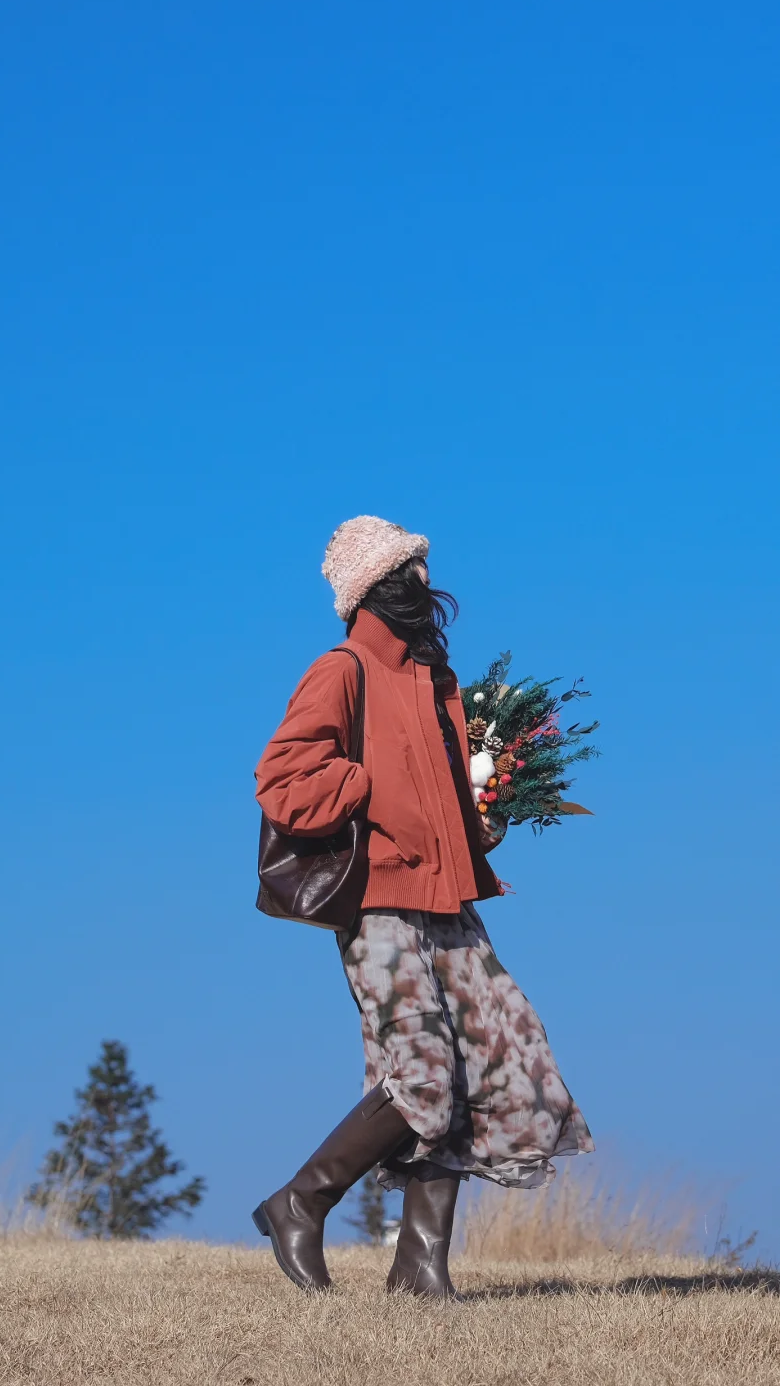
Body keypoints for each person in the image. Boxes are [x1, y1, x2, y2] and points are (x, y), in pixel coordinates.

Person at [251, 516, 594, 1298]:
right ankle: (300, 1202)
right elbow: (281, 780)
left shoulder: (434, 682)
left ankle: (420, 1267)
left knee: (485, 1070)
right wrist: (368, 782)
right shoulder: (342, 669)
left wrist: (480, 823)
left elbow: (436, 807)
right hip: (378, 904)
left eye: (421, 569)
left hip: (449, 904)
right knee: (424, 1077)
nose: (423, 586)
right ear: (376, 587)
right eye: (408, 572)